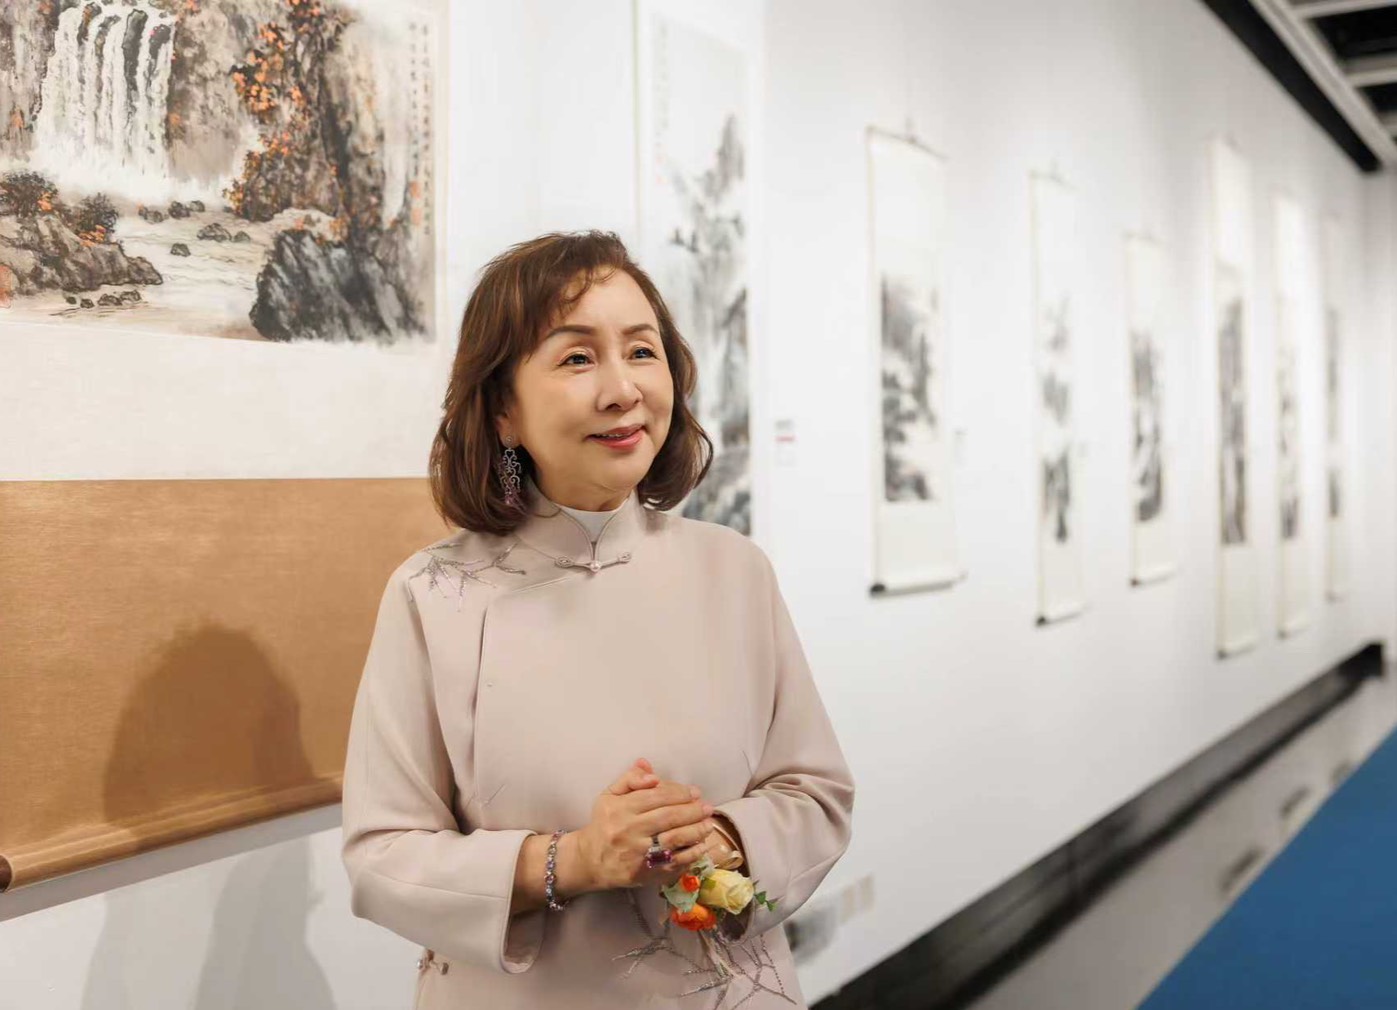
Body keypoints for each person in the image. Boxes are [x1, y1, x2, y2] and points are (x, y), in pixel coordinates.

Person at [340, 230, 855, 1009]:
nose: (622, 390)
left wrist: (723, 838)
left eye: (641, 352)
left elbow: (815, 792)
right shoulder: (434, 594)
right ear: (503, 410)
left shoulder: (734, 570)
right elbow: (382, 855)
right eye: (577, 358)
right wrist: (573, 860)